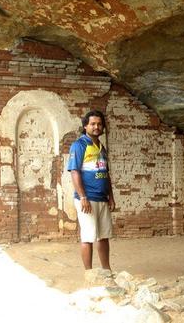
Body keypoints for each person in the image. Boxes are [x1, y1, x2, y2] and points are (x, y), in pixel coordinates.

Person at [67, 110, 115, 270]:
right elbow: (75, 171)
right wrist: (83, 197)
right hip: (87, 198)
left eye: (99, 124)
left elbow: (106, 174)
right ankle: (89, 274)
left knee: (104, 236)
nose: (96, 127)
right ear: (85, 126)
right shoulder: (79, 145)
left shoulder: (101, 147)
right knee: (88, 237)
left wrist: (111, 197)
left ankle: (107, 271)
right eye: (93, 124)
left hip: (102, 198)